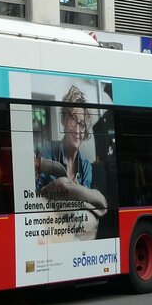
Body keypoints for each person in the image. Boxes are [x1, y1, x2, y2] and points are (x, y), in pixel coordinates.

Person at [35, 86, 108, 223]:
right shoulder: (48, 150)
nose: (78, 130)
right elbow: (36, 199)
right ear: (64, 120)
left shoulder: (86, 166)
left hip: (75, 228)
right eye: (74, 120)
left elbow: (86, 206)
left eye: (82, 125)